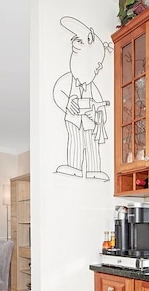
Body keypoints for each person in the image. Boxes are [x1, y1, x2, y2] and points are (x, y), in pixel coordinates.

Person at [53, 16, 112, 181]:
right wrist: (67, 103)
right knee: (75, 142)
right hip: (72, 120)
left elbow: (102, 107)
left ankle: (94, 170)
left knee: (92, 146)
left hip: (90, 124)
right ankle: (74, 167)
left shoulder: (93, 88)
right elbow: (58, 93)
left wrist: (98, 116)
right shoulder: (67, 80)